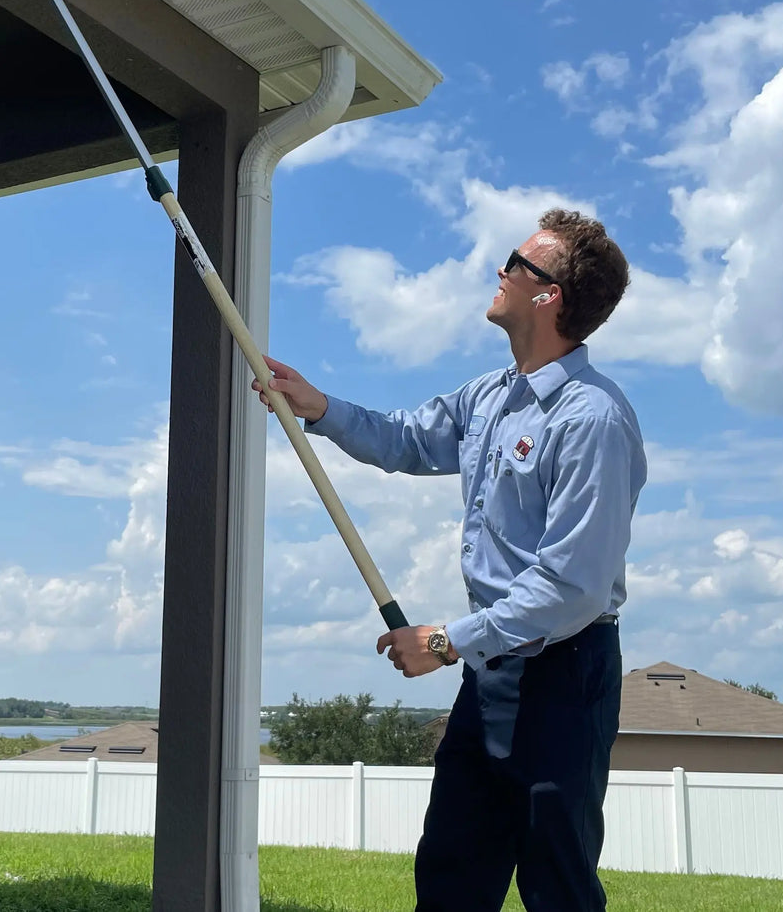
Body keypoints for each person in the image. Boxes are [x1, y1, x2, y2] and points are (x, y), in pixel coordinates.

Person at [256, 208, 647, 912]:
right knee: (452, 874)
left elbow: (571, 587)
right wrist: (317, 405)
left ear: (549, 293)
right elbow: (405, 439)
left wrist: (442, 641)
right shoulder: (491, 396)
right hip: (491, 671)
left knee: (556, 882)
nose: (500, 272)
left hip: (564, 673)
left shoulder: (593, 419)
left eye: (515, 263)